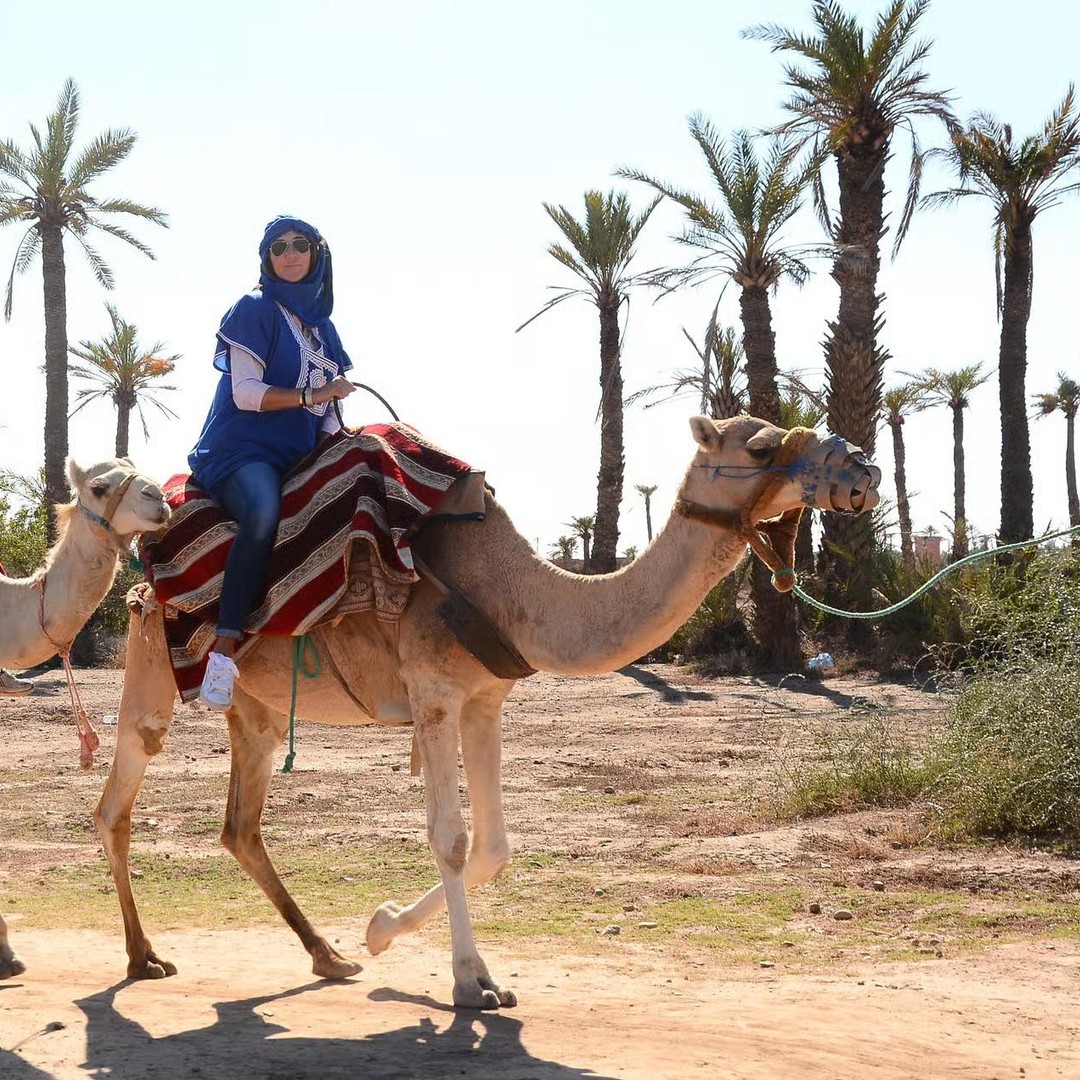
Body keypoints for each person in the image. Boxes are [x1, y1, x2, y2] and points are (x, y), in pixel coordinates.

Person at [188, 215, 356, 710]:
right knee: (263, 512)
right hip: (243, 452)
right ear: (266, 259)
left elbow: (330, 413)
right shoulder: (254, 309)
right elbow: (245, 393)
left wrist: (341, 440)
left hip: (297, 455)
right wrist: (313, 395)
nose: (289, 254)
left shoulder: (325, 330)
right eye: (277, 247)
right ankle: (223, 651)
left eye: (299, 244)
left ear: (316, 253)